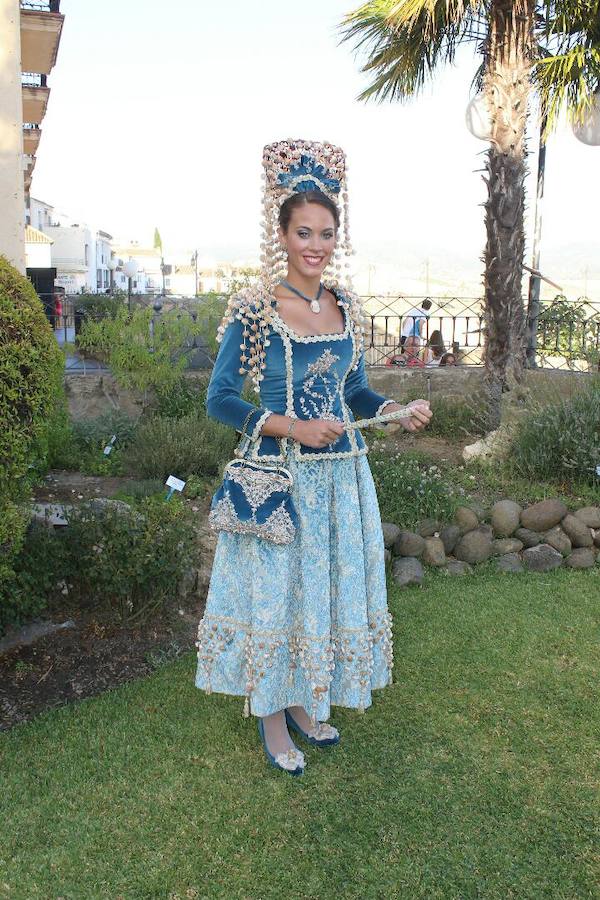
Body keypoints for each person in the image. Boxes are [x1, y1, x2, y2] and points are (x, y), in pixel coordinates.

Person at [194, 139, 432, 776]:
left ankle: (301, 702)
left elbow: (353, 388)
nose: (316, 246)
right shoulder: (254, 311)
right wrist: (291, 426)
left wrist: (391, 410)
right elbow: (219, 400)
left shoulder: (344, 306)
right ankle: (273, 720)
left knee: (317, 593)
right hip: (281, 478)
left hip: (343, 479)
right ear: (281, 233)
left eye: (327, 233)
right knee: (276, 595)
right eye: (304, 232)